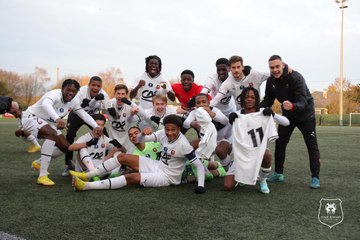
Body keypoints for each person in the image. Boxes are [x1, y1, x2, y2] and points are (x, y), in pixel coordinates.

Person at [70, 114, 206, 194]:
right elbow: (142, 140)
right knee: (122, 157)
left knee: (131, 177)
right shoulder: (162, 133)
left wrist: (200, 186)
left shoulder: (183, 145)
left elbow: (199, 166)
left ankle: (86, 186)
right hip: (157, 165)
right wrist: (141, 134)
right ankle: (87, 175)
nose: (169, 132)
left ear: (179, 129)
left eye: (173, 130)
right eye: (167, 129)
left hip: (168, 177)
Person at [18, 79, 102, 186]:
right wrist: (57, 119)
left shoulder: (74, 101)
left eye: (74, 91)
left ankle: (38, 163)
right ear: (62, 88)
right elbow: (46, 104)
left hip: (48, 124)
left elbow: (83, 114)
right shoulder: (54, 94)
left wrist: (96, 126)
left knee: (66, 147)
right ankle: (42, 176)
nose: (71, 93)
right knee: (51, 135)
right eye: (68, 90)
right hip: (31, 117)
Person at [259, 55, 321, 189]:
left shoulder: (296, 77)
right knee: (280, 142)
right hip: (288, 116)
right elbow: (268, 100)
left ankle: (315, 177)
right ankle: (278, 174)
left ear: (282, 65)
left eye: (277, 66)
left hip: (306, 115)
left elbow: (303, 101)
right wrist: (255, 109)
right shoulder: (270, 81)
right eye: (272, 67)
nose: (275, 70)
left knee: (311, 145)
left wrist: (293, 106)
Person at [224, 87, 290, 194]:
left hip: (258, 152)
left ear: (257, 99)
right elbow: (227, 126)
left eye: (252, 97)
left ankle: (262, 180)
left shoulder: (263, 112)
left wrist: (272, 114)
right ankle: (240, 177)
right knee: (227, 186)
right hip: (242, 156)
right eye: (246, 97)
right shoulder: (238, 115)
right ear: (242, 99)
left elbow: (286, 122)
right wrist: (229, 119)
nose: (249, 99)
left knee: (267, 154)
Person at [63, 76, 109, 176]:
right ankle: (69, 164)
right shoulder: (81, 91)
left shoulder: (104, 94)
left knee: (103, 133)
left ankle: (106, 162)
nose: (96, 88)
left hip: (92, 116)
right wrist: (91, 101)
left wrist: (108, 106)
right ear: (89, 85)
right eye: (93, 85)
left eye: (98, 86)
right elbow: (77, 107)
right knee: (70, 135)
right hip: (77, 114)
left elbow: (108, 107)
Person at [68, 114, 126, 181]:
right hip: (85, 170)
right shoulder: (85, 137)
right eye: (98, 124)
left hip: (99, 170)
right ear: (92, 124)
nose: (100, 127)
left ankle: (113, 175)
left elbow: (124, 151)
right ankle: (92, 174)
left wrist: (119, 145)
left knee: (118, 152)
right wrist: (88, 143)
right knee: (82, 149)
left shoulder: (104, 139)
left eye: (102, 125)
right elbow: (70, 148)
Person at [183, 93, 231, 172]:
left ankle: (228, 169)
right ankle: (204, 170)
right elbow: (185, 124)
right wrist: (193, 123)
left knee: (220, 151)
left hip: (221, 140)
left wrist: (212, 114)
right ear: (195, 105)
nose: (201, 104)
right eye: (198, 103)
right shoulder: (194, 112)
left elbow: (225, 121)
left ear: (208, 103)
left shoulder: (214, 110)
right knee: (187, 148)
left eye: (204, 102)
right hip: (205, 141)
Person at [106, 84, 141, 153]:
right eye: (118, 93)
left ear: (126, 95)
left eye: (123, 94)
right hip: (113, 140)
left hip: (127, 142)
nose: (120, 96)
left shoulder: (130, 105)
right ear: (114, 94)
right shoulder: (109, 104)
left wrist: (132, 114)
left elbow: (135, 118)